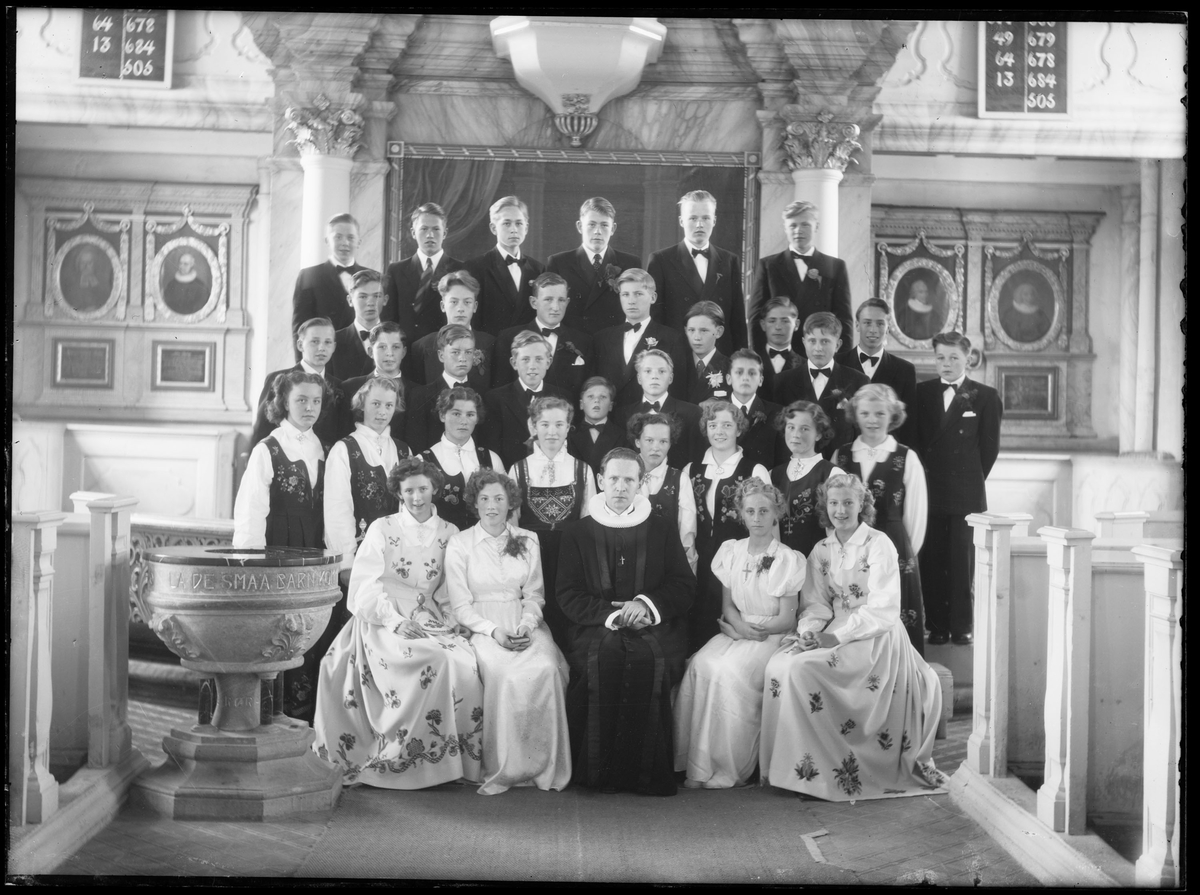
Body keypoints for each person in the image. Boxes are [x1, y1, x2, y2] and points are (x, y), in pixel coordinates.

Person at [759, 473, 946, 801]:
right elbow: (816, 605)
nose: (840, 510)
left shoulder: (878, 543)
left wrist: (838, 637)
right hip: (834, 630)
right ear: (825, 506)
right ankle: (798, 773)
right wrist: (808, 634)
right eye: (833, 503)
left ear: (863, 505)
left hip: (876, 636)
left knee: (801, 670)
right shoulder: (822, 549)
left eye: (848, 502)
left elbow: (885, 608)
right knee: (780, 664)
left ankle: (823, 773)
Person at [313, 457, 483, 789]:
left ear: (434, 488)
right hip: (382, 617)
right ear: (399, 493)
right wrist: (393, 620)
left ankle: (448, 762)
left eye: (423, 489)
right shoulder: (383, 528)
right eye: (409, 491)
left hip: (430, 616)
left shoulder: (450, 533)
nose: (417, 497)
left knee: (465, 660)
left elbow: (450, 587)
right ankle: (405, 759)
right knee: (435, 659)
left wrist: (454, 620)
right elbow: (365, 585)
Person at [556, 448, 695, 795]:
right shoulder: (577, 532)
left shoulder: (661, 528)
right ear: (601, 481)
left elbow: (682, 585)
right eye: (613, 479)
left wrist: (646, 605)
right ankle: (599, 775)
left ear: (641, 482)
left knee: (648, 659)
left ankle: (647, 776)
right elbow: (568, 593)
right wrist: (614, 614)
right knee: (605, 657)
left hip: (654, 623)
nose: (620, 487)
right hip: (595, 625)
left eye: (629, 479)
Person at [444, 469, 572, 795]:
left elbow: (534, 595)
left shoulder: (528, 539)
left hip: (523, 621)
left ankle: (543, 767)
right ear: (474, 502)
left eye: (499, 498)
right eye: (484, 498)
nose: (492, 506)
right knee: (504, 674)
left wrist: (527, 625)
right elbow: (461, 607)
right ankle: (507, 767)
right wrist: (495, 632)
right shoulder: (460, 544)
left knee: (545, 668)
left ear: (510, 502)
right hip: (483, 627)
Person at [674, 479, 805, 789]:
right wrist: (738, 627)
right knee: (701, 665)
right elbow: (728, 606)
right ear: (741, 515)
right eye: (750, 511)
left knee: (729, 673)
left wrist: (750, 630)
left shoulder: (787, 558)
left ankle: (725, 768)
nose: (757, 518)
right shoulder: (730, 551)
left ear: (776, 514)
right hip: (738, 630)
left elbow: (787, 618)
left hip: (769, 636)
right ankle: (695, 765)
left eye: (764, 511)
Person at [233, 369, 332, 722]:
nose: (309, 408)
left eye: (315, 401)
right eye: (301, 400)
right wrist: (252, 564)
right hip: (280, 553)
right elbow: (251, 511)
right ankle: (274, 719)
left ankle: (309, 723)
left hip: (315, 556)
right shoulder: (268, 449)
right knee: (281, 635)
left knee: (311, 633)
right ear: (284, 403)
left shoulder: (326, 448)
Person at [914, 332, 1002, 646]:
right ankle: (936, 625)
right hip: (930, 490)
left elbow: (989, 450)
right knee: (933, 559)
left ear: (968, 358)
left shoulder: (985, 396)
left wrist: (969, 478)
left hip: (966, 492)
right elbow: (915, 442)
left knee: (963, 562)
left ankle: (962, 626)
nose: (947, 364)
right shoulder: (920, 393)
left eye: (954, 357)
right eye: (940, 358)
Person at [834, 384, 928, 654]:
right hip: (848, 552)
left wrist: (905, 555)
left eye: (880, 413)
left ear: (892, 416)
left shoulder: (906, 457)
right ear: (855, 415)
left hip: (895, 550)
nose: (872, 420)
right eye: (865, 413)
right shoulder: (841, 456)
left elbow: (916, 517)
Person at [508, 395, 596, 646]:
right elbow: (512, 522)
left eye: (559, 424)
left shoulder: (582, 469)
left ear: (568, 427)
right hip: (531, 555)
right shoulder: (518, 469)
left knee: (566, 618)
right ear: (533, 427)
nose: (552, 431)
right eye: (545, 424)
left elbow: (588, 521)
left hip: (570, 556)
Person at [686, 400, 771, 653]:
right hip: (699, 562)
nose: (719, 431)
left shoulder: (754, 470)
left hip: (739, 563)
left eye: (726, 425)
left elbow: (769, 526)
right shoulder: (691, 469)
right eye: (713, 425)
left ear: (738, 429)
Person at [324, 377, 411, 574]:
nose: (382, 412)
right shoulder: (344, 449)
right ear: (362, 404)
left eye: (389, 405)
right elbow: (337, 509)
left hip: (398, 556)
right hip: (359, 556)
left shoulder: (404, 450)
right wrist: (346, 562)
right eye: (376, 404)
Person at [647, 190, 748, 356]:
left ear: (714, 220)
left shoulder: (730, 261)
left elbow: (737, 320)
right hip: (676, 354)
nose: (699, 224)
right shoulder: (660, 260)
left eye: (705, 218)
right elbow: (655, 319)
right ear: (681, 221)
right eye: (693, 218)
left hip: (720, 356)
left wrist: (739, 360)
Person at [748, 201, 853, 358]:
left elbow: (844, 320)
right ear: (785, 228)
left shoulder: (835, 266)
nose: (798, 231)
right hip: (779, 354)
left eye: (805, 225)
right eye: (793, 226)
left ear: (816, 226)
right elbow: (756, 316)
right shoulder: (769, 265)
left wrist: (842, 361)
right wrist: (760, 356)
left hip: (819, 354)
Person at [772, 312, 869, 459]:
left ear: (837, 345)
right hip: (796, 466)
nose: (818, 348)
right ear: (804, 342)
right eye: (812, 341)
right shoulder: (783, 381)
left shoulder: (858, 381)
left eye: (825, 341)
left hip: (840, 467)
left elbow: (860, 433)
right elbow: (779, 434)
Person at [593, 268, 691, 408]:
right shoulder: (601, 338)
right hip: (611, 420)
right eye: (625, 294)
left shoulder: (672, 338)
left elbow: (678, 389)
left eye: (638, 294)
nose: (631, 301)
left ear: (653, 297)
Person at [250, 317, 350, 452]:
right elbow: (262, 430)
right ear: (300, 345)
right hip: (285, 459)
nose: (321, 348)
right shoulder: (279, 379)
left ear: (334, 347)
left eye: (327, 342)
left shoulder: (339, 386)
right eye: (314, 342)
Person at [494, 271, 594, 400]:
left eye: (561, 300)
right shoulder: (508, 337)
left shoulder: (583, 341)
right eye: (548, 299)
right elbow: (501, 389)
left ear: (568, 302)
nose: (556, 307)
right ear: (533, 302)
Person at [547, 197, 641, 332]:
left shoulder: (630, 263)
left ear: (613, 228)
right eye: (592, 224)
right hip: (574, 342)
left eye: (604, 225)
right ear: (580, 226)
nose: (598, 231)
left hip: (612, 342)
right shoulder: (558, 263)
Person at [383, 202, 466, 354]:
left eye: (436, 229)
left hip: (443, 351)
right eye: (424, 229)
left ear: (445, 233)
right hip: (406, 353)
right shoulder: (396, 270)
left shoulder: (460, 270)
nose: (430, 235)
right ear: (413, 232)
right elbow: (389, 319)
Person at [835, 297, 918, 447]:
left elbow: (910, 427)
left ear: (888, 327)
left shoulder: (905, 370)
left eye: (880, 324)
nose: (873, 330)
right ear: (857, 325)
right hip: (846, 453)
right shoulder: (837, 363)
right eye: (867, 323)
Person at [419, 386, 503, 532]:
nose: (464, 421)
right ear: (442, 415)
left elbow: (505, 507)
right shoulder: (423, 460)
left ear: (477, 418)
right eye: (456, 414)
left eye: (470, 414)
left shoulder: (491, 459)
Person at [482, 331, 571, 468]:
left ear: (548, 362)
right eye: (525, 359)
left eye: (539, 359)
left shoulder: (562, 397)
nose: (532, 366)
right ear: (514, 363)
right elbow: (492, 448)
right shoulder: (495, 399)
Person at [465, 196, 546, 337]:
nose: (514, 229)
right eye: (507, 224)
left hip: (527, 350)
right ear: (493, 228)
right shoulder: (475, 267)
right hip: (492, 347)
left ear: (526, 228)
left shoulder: (538, 269)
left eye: (519, 223)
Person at [770, 401, 843, 557]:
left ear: (818, 434)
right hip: (779, 563)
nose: (796, 434)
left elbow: (839, 530)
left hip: (817, 562)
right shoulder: (773, 474)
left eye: (804, 428)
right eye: (791, 427)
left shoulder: (832, 474)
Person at [628, 411, 698, 573]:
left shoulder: (680, 479)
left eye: (663, 441)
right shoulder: (625, 476)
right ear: (638, 442)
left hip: (667, 564)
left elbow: (687, 534)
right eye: (649, 440)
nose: (656, 448)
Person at [613, 349, 702, 469]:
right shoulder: (622, 415)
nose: (654, 376)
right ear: (639, 378)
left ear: (670, 378)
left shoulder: (692, 413)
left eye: (661, 371)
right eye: (648, 371)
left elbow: (696, 458)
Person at [405, 323, 487, 452]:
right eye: (455, 352)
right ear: (441, 355)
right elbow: (417, 445)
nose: (462, 358)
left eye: (468, 352)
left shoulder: (484, 394)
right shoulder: (421, 396)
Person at [405, 271, 494, 388]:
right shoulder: (421, 346)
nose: (460, 308)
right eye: (454, 302)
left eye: (467, 302)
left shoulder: (490, 343)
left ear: (475, 306)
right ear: (443, 306)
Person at [292, 213, 366, 339]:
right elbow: (299, 329)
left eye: (351, 237)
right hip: (322, 355)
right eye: (338, 237)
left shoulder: (372, 277)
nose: (345, 243)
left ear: (359, 241)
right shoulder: (309, 276)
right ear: (327, 241)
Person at [340, 322, 409, 449]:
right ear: (371, 351)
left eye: (396, 347)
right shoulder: (350, 388)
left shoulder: (418, 392)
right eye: (382, 347)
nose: (389, 353)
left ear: (404, 352)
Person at [726, 348, 785, 471]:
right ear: (728, 378)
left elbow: (781, 462)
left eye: (752, 373)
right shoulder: (716, 411)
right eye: (739, 372)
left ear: (761, 380)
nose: (745, 378)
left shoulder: (777, 413)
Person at [329, 269, 387, 382]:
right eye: (363, 296)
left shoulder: (398, 339)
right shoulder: (333, 342)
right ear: (350, 300)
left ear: (385, 300)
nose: (370, 302)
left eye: (377, 296)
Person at [567, 376, 627, 474]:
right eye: (590, 396)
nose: (596, 401)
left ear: (610, 406)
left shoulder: (623, 436)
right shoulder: (569, 434)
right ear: (581, 404)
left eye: (603, 397)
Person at [683, 300, 731, 404]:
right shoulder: (678, 364)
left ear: (718, 332)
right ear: (685, 331)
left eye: (703, 330)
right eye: (691, 330)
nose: (696, 337)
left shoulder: (730, 367)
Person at [757, 296, 804, 401]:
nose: (778, 327)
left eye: (785, 321)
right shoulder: (751, 361)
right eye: (772, 321)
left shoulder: (805, 366)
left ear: (796, 324)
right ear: (763, 324)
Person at [894, 277, 945, 342]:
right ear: (914, 293)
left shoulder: (934, 314)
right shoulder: (905, 313)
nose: (924, 295)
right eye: (921, 292)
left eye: (926, 292)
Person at [162, 250, 208, 315]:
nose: (181, 267)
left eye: (185, 264)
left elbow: (201, 307)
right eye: (180, 263)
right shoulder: (171, 284)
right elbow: (166, 303)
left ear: (192, 265)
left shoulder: (200, 286)